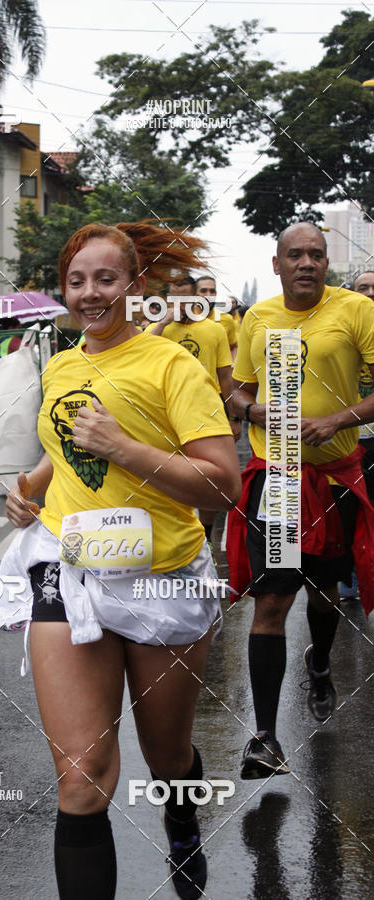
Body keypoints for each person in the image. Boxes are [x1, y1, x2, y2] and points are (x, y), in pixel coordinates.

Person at [0, 222, 241, 899]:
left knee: (166, 758)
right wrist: (29, 490)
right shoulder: (63, 364)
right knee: (82, 777)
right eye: (77, 281)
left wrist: (124, 445)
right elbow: (66, 444)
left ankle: (181, 818)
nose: (90, 293)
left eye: (105, 279)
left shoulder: (172, 366)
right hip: (68, 569)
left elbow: (224, 483)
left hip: (162, 579)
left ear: (134, 286)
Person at [227, 223, 374, 780]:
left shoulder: (357, 312)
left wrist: (336, 420)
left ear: (327, 263)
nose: (307, 262)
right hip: (280, 480)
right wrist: (252, 410)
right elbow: (238, 389)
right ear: (277, 264)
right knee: (272, 602)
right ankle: (265, 737)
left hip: (335, 478)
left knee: (327, 590)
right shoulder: (258, 317)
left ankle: (318, 661)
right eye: (296, 255)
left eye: (316, 254)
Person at [149, 283, 242, 546]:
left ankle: (207, 537)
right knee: (169, 473)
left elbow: (225, 377)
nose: (179, 302)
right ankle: (175, 537)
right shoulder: (158, 330)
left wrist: (233, 417)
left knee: (207, 477)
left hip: (205, 413)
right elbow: (139, 351)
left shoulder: (214, 329)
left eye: (185, 296)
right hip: (164, 416)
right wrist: (165, 320)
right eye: (173, 296)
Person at [338, 270, 374, 600]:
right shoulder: (344, 331)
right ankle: (348, 573)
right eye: (363, 287)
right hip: (350, 439)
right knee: (350, 510)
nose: (370, 293)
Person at [195, 275, 238, 358]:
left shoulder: (226, 319)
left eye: (212, 291)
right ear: (195, 294)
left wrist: (232, 365)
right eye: (203, 291)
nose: (208, 295)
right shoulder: (186, 319)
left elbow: (233, 347)